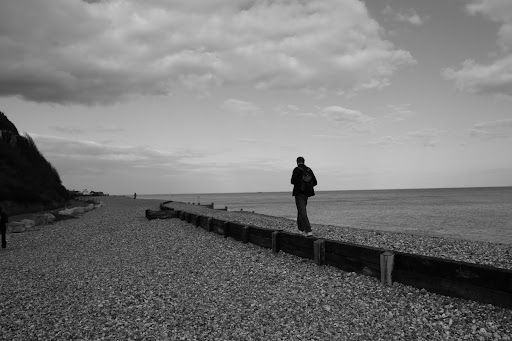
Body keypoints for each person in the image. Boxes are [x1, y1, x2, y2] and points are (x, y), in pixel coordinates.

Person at [291, 156, 317, 236]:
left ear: (297, 162)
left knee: (302, 212)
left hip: (299, 193)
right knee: (301, 210)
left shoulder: (297, 169)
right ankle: (300, 230)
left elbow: (292, 181)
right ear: (304, 161)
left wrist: (299, 184)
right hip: (307, 194)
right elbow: (315, 182)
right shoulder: (309, 170)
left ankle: (308, 231)